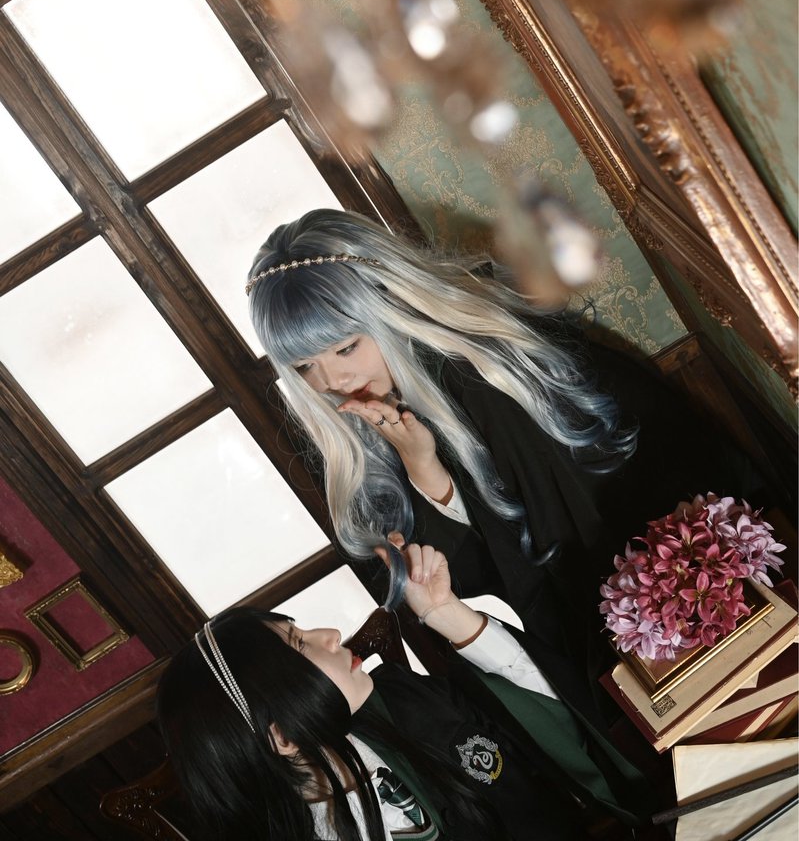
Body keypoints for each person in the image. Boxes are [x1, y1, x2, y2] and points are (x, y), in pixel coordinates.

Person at [246, 208, 768, 730]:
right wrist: (425, 470)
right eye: (305, 366)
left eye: (345, 347)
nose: (332, 381)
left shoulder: (481, 379)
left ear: (388, 304)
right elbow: (480, 572)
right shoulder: (386, 412)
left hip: (688, 572)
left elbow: (553, 555)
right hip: (640, 598)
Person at [157, 541, 648, 840]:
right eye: (300, 645)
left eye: (301, 629)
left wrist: (446, 615)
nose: (330, 634)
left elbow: (555, 730)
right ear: (281, 736)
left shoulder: (395, 698)